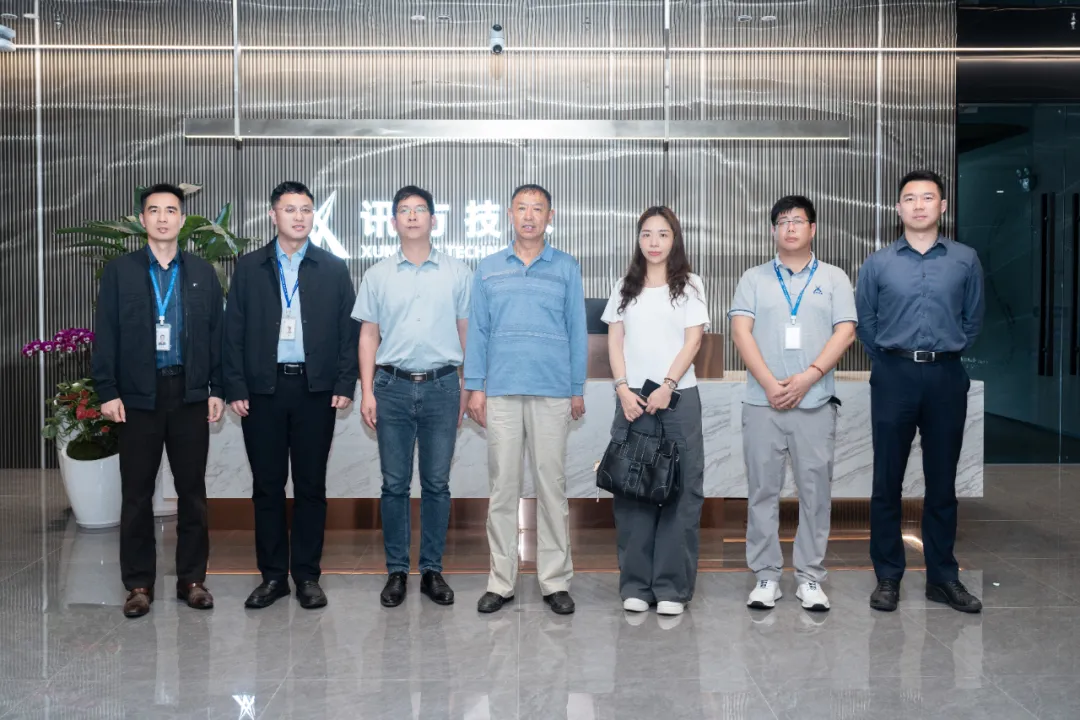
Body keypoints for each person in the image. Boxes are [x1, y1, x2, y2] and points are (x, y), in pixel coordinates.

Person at [223, 181, 359, 610]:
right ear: (273, 215)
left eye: (305, 209)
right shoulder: (249, 267)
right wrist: (235, 385)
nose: (299, 217)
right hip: (262, 390)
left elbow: (349, 331)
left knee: (311, 486)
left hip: (314, 390)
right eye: (289, 209)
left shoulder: (332, 268)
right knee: (267, 486)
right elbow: (232, 331)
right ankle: (272, 577)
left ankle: (306, 576)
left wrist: (344, 383)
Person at [92, 183, 225, 618]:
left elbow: (216, 335)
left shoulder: (202, 272)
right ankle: (138, 585)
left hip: (188, 394)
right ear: (142, 219)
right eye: (154, 210)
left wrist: (217, 388)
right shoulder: (121, 271)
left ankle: (192, 580)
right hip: (137, 398)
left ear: (183, 220)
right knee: (136, 494)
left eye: (171, 210)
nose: (163, 218)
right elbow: (105, 334)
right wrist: (108, 391)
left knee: (193, 493)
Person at [856, 170, 985, 614]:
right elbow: (866, 323)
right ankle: (888, 576)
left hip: (946, 375)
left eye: (927, 198)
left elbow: (972, 321)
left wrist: (946, 351)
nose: (918, 205)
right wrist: (891, 361)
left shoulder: (965, 260)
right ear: (898, 208)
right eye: (909, 198)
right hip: (893, 374)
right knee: (886, 481)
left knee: (942, 482)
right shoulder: (878, 263)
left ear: (942, 206)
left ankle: (943, 577)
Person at [729, 195, 857, 612]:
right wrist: (770, 384)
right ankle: (766, 575)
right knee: (762, 492)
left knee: (815, 493)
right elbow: (740, 332)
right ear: (773, 230)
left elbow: (845, 332)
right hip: (762, 403)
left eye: (798, 221)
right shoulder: (753, 278)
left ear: (812, 228)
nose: (790, 228)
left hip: (815, 402)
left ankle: (809, 577)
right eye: (782, 221)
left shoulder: (835, 278)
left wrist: (808, 378)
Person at [464, 184, 587, 615]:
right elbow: (478, 331)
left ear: (550, 217)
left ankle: (555, 581)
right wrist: (475, 386)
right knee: (503, 490)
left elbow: (576, 331)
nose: (529, 216)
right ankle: (501, 581)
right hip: (500, 391)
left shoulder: (566, 267)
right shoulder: (488, 268)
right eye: (522, 208)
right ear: (510, 215)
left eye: (538, 209)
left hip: (552, 392)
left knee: (552, 489)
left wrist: (576, 388)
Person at [353, 185, 472, 608]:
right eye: (404, 210)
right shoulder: (377, 274)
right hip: (392, 387)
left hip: (443, 386)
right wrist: (367, 391)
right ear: (393, 222)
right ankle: (397, 571)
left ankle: (432, 570)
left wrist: (467, 388)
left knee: (437, 483)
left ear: (433, 220)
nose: (413, 216)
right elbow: (368, 336)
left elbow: (466, 333)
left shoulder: (458, 272)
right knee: (394, 485)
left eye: (420, 210)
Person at [601, 206, 709, 617]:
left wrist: (667, 385)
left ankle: (671, 588)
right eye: (646, 234)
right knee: (632, 490)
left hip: (677, 399)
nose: (654, 242)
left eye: (663, 234)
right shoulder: (624, 287)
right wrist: (622, 389)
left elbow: (693, 342)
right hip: (632, 402)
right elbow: (614, 342)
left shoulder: (690, 285)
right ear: (638, 239)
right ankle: (635, 585)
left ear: (674, 239)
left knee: (680, 493)